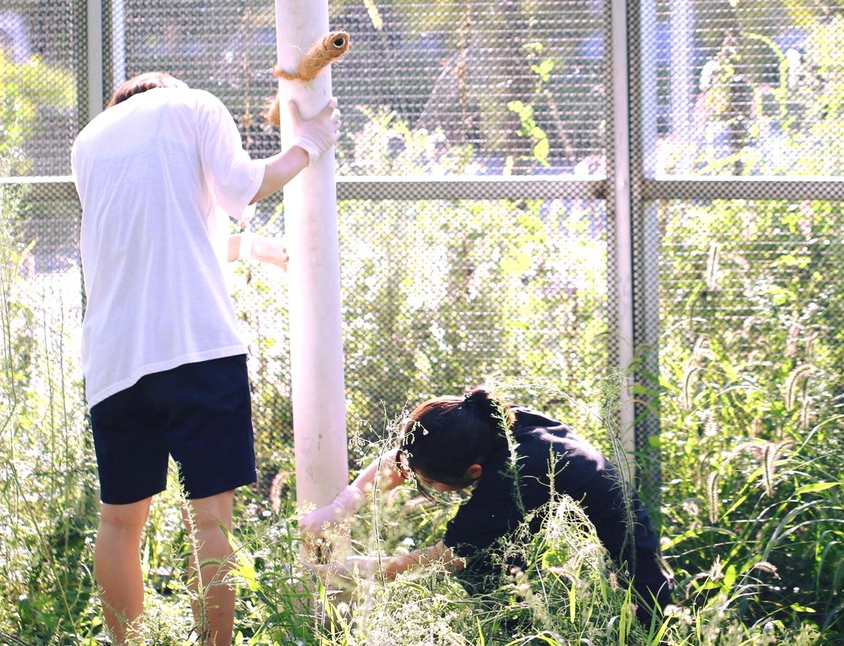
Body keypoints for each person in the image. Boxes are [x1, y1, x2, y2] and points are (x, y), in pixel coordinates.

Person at [71, 71, 340, 645]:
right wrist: (309, 143)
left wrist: (250, 248)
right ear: (170, 88)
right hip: (197, 349)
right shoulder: (194, 105)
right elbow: (241, 186)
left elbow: (158, 235)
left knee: (119, 522)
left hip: (115, 362)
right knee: (210, 518)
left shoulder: (89, 141)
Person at [302, 388, 674, 628]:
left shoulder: (511, 475)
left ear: (473, 472)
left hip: (619, 542)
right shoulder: (478, 422)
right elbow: (404, 460)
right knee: (495, 567)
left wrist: (358, 571)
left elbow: (448, 556)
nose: (413, 480)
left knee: (647, 619)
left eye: (425, 480)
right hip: (553, 505)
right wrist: (343, 504)